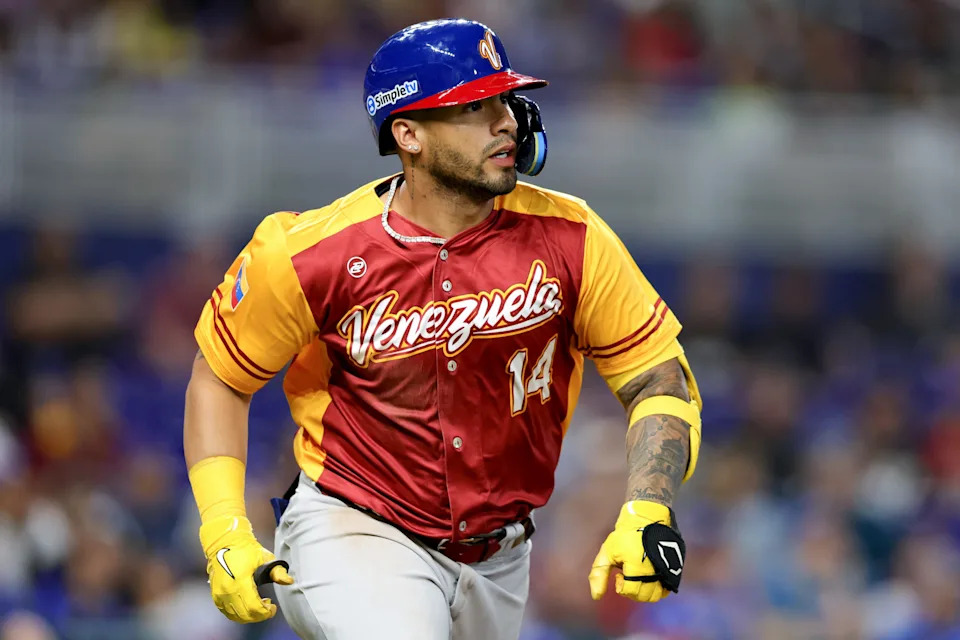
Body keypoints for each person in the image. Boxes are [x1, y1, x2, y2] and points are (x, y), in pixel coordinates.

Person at [183, 18, 703, 640]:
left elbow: (658, 380)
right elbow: (219, 379)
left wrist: (649, 505)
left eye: (506, 100)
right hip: (355, 525)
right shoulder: (305, 252)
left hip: (501, 560)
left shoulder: (574, 237)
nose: (506, 120)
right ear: (408, 134)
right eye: (474, 106)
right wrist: (223, 529)